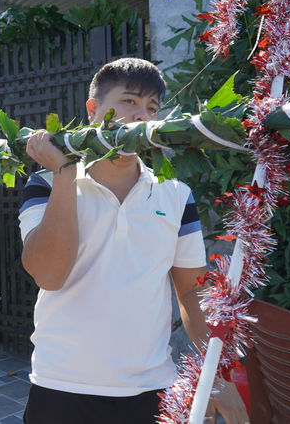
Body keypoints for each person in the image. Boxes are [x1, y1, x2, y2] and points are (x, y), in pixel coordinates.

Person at [19, 58, 249, 424]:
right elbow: (49, 274)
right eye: (129, 101)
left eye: (152, 108)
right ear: (93, 109)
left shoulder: (175, 193)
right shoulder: (46, 184)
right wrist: (64, 174)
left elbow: (191, 292)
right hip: (61, 384)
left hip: (153, 388)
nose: (142, 116)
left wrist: (214, 374)